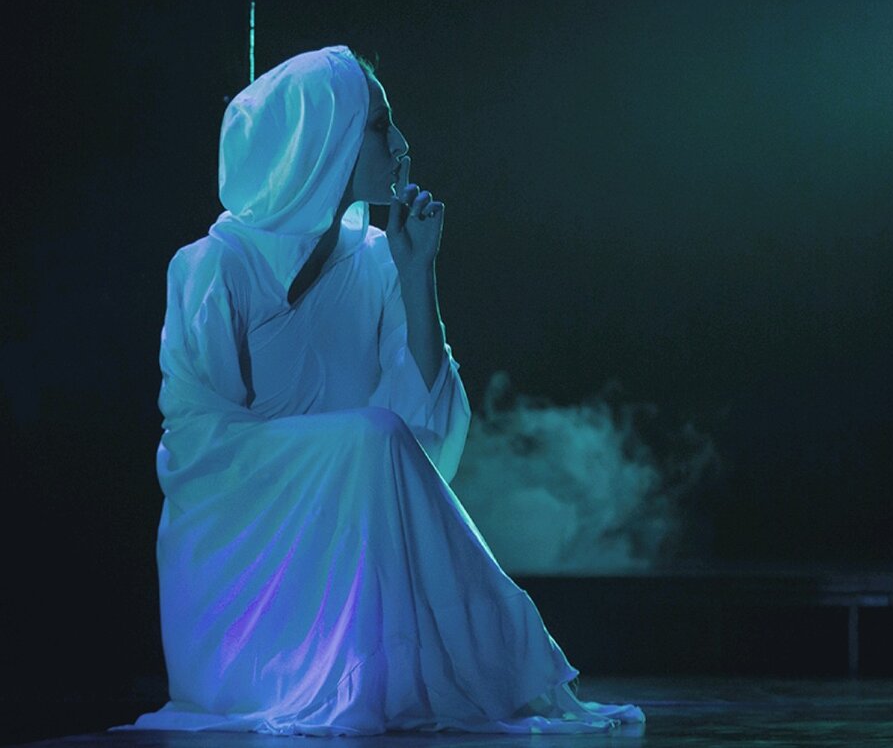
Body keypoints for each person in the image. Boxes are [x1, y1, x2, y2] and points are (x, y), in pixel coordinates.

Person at [109, 45, 645, 736]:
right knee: (371, 437)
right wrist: (347, 449)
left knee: (379, 439)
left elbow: (423, 453)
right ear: (321, 139)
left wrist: (418, 275)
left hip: (351, 557)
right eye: (379, 125)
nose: (402, 144)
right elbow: (203, 452)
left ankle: (463, 667)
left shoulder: (376, 263)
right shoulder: (215, 266)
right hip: (245, 574)